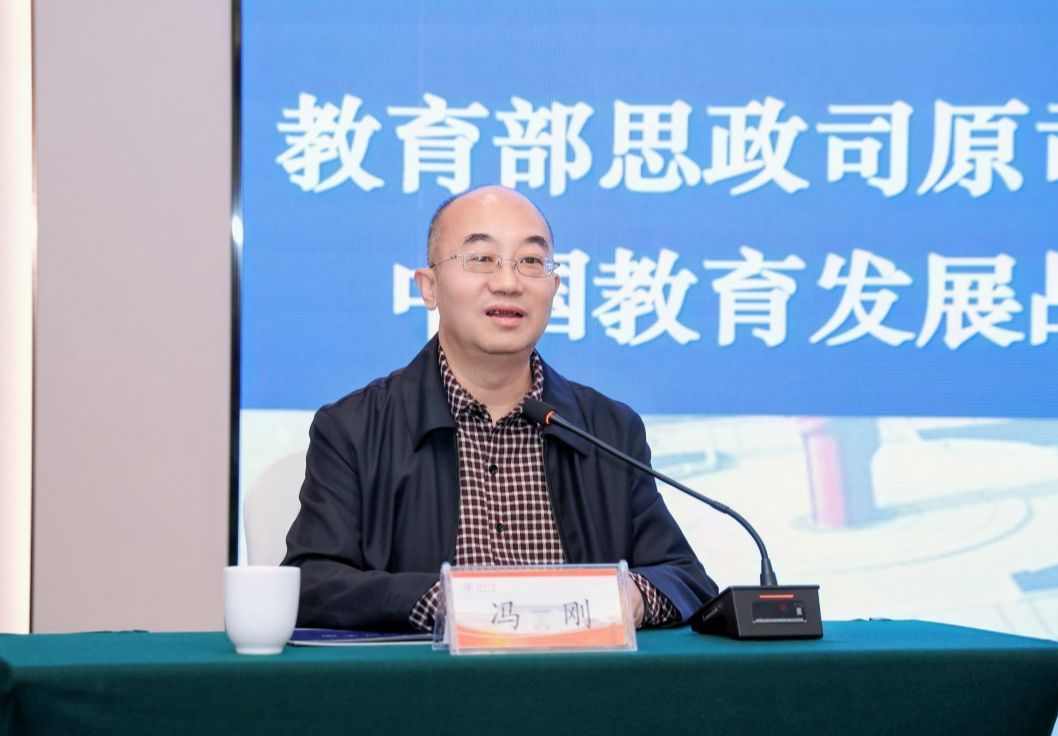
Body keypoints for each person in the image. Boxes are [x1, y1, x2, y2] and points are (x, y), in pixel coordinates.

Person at [283, 185, 717, 631]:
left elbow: (685, 580)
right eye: (481, 258)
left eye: (530, 261)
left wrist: (629, 597)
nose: (508, 283)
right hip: (428, 674)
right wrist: (448, 603)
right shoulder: (355, 428)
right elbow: (309, 583)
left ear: (554, 287)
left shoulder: (607, 430)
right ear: (429, 287)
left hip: (580, 673)